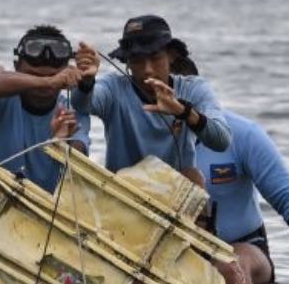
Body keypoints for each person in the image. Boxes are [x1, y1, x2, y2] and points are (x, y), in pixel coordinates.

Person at [169, 49, 289, 284]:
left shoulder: (242, 134)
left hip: (244, 248)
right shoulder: (144, 142)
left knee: (232, 267)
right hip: (172, 255)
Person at [71, 15, 230, 185]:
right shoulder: (114, 88)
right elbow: (83, 104)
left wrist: (183, 111)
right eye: (138, 60)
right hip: (123, 193)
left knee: (193, 177)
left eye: (155, 58)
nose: (148, 69)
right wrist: (86, 81)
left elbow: (222, 140)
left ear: (172, 55)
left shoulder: (193, 89)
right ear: (127, 62)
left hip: (176, 194)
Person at [0, 25, 92, 192]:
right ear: (16, 67)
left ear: (67, 71)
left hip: (40, 209)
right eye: (33, 75)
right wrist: (49, 82)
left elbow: (81, 158)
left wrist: (61, 143)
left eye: (53, 75)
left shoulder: (70, 111)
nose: (45, 85)